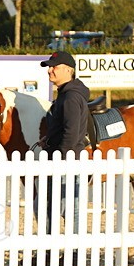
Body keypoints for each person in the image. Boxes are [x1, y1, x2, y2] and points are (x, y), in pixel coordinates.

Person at [36, 50, 90, 239]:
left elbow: (72, 133)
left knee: (64, 208)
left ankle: (68, 250)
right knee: (60, 207)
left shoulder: (70, 97)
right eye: (49, 67)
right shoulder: (66, 95)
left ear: (68, 70)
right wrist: (48, 138)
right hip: (66, 159)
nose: (49, 70)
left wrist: (61, 160)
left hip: (66, 161)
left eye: (54, 67)